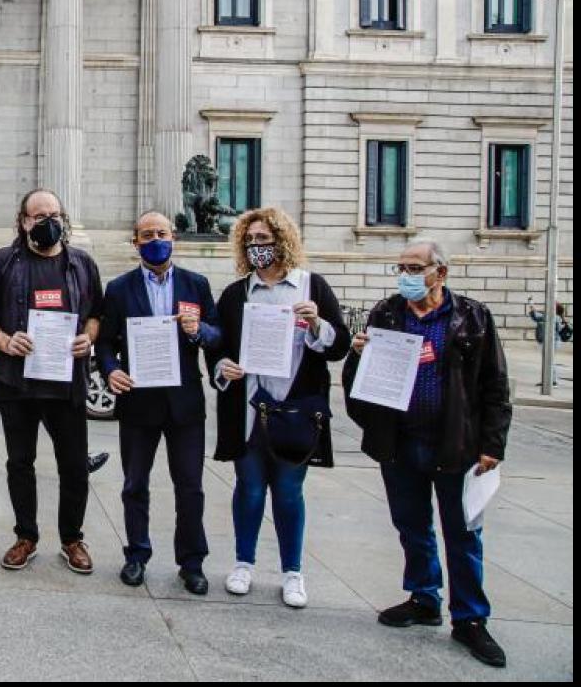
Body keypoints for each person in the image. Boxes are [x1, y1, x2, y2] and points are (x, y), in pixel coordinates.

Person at [343, 238, 513, 668]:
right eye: (400, 267)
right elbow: (357, 384)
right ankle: (423, 597)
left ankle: (471, 619)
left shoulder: (472, 317)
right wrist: (359, 356)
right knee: (412, 526)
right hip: (401, 444)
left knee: (463, 533)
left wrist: (492, 444)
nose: (406, 275)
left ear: (441, 272)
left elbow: (495, 385)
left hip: (455, 444)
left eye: (415, 267)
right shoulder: (387, 313)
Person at [211, 207, 350, 608]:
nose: (258, 247)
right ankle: (243, 563)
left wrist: (318, 325)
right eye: (251, 240)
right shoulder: (237, 294)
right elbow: (219, 346)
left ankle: (293, 572)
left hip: (295, 410)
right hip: (251, 408)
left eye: (265, 239)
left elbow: (338, 344)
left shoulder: (312, 287)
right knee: (249, 490)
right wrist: (223, 367)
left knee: (289, 493)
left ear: (282, 241)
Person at [0, 188, 104, 574]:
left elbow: (97, 314)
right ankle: (25, 536)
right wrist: (4, 340)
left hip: (66, 384)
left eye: (54, 214)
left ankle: (72, 539)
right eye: (39, 216)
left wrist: (89, 337)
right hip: (17, 384)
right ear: (24, 221)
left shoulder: (82, 264)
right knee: (20, 463)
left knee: (74, 466)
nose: (48, 221)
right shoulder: (5, 261)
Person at [96, 212, 221, 592]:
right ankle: (136, 554)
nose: (155, 239)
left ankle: (192, 562)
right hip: (138, 401)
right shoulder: (119, 288)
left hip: (184, 404)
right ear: (135, 242)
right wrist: (110, 370)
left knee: (190, 487)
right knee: (135, 483)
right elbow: (105, 342)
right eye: (147, 234)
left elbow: (218, 336)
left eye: (161, 233)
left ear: (174, 238)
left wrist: (199, 331)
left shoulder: (195, 285)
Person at [527, 300, 569, 387]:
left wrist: (533, 306)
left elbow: (537, 316)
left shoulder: (553, 317)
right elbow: (536, 317)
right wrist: (533, 307)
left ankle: (552, 381)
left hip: (552, 341)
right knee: (547, 361)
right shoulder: (553, 317)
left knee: (549, 361)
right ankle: (547, 380)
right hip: (550, 341)